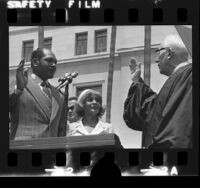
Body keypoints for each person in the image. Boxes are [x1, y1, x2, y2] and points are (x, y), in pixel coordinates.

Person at [123, 34, 192, 148]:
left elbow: (178, 127)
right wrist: (137, 82)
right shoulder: (179, 78)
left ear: (169, 53)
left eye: (158, 52)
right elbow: (153, 112)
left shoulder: (188, 76)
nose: (156, 59)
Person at [9, 48, 66, 140]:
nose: (54, 65)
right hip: (25, 148)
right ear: (35, 62)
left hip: (51, 149)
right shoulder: (19, 83)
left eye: (55, 62)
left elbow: (61, 129)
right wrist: (19, 89)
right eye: (49, 60)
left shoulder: (59, 95)